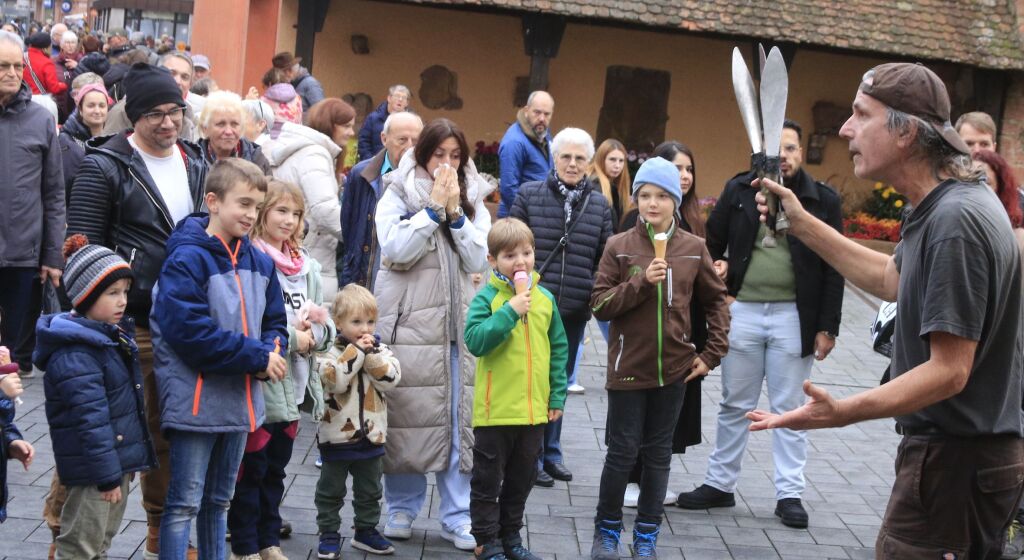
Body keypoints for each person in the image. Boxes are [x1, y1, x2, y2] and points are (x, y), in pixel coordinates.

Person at [749, 62, 1024, 558]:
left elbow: (950, 370)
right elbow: (891, 279)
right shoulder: (938, 203)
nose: (845, 129)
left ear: (906, 133)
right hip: (956, 461)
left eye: (861, 114)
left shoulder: (956, 221)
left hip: (954, 466)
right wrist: (800, 223)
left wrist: (841, 413)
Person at [66, 61, 207, 560]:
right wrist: (101, 319)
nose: (168, 123)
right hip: (127, 321)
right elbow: (80, 249)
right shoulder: (105, 165)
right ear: (134, 116)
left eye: (175, 111)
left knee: (169, 430)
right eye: (155, 114)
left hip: (182, 319)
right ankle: (67, 534)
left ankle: (160, 532)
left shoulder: (197, 161)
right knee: (110, 431)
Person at [677, 119, 843, 529]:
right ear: (760, 155)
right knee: (735, 402)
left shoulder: (821, 199)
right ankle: (720, 484)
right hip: (744, 312)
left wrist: (828, 326)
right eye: (775, 149)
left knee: (790, 407)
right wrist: (722, 281)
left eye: (790, 148)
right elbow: (710, 245)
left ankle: (789, 493)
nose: (783, 156)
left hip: (794, 316)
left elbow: (834, 266)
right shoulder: (738, 190)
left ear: (800, 153)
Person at [589, 157, 730, 560]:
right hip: (627, 370)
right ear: (636, 199)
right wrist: (639, 283)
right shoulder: (619, 246)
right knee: (621, 453)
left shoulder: (694, 248)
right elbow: (599, 304)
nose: (653, 203)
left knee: (658, 454)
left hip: (674, 372)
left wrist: (712, 354)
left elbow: (716, 301)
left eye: (663, 196)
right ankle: (607, 532)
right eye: (645, 195)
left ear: (676, 200)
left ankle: (647, 535)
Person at [150, 158, 288, 559]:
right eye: (243, 204)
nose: (251, 215)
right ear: (213, 201)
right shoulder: (186, 259)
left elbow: (275, 321)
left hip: (239, 401)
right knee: (184, 503)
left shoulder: (260, 261)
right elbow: (189, 333)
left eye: (257, 207)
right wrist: (257, 356)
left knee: (220, 501)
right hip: (196, 403)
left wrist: (273, 349)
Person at [373, 118, 491, 552]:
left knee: (459, 423)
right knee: (407, 419)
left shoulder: (475, 196)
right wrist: (431, 211)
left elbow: (479, 257)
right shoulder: (397, 191)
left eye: (455, 156)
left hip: (459, 330)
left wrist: (456, 214)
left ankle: (458, 515)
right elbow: (395, 249)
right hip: (409, 328)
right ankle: (400, 508)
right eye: (439, 154)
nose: (447, 164)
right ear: (423, 154)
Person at [229, 179, 336, 560]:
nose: (289, 220)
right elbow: (249, 322)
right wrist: (293, 337)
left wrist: (316, 334)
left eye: (296, 213)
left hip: (296, 384)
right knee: (251, 468)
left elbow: (327, 326)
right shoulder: (251, 260)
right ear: (262, 213)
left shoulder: (307, 266)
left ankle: (268, 541)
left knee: (276, 469)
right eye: (281, 211)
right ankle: (244, 544)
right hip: (265, 383)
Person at [35, 235, 157, 560]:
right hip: (95, 472)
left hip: (111, 466)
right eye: (112, 293)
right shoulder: (77, 354)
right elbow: (91, 421)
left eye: (125, 292)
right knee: (81, 546)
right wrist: (107, 476)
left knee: (99, 541)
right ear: (85, 296)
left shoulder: (108, 339)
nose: (122, 301)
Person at [509, 127, 613, 487]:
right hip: (532, 306)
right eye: (565, 156)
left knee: (559, 382)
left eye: (579, 158)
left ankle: (552, 452)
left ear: (589, 163)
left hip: (573, 309)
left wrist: (591, 289)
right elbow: (511, 246)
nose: (572, 163)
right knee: (532, 379)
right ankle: (531, 456)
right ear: (554, 158)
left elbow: (605, 257)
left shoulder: (599, 205)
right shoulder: (529, 194)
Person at [464, 218, 569, 560]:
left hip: (533, 412)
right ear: (492, 260)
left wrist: (556, 395)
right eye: (510, 256)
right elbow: (475, 341)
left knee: (521, 480)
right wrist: (509, 311)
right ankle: (486, 540)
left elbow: (558, 350)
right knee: (487, 481)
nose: (520, 261)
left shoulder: (545, 299)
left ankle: (511, 537)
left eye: (526, 253)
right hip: (495, 412)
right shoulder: (488, 298)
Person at [620, 140, 709, 509]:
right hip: (642, 334)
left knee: (668, 414)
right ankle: (631, 478)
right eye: (677, 168)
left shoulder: (694, 221)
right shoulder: (636, 222)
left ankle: (653, 479)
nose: (684, 175)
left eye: (689, 169)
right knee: (636, 412)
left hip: (683, 332)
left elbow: (710, 291)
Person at [314, 284, 401, 559]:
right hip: (336, 436)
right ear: (338, 322)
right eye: (356, 322)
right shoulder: (328, 352)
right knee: (330, 490)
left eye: (370, 321)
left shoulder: (379, 349)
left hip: (372, 436)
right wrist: (356, 353)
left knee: (370, 489)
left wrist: (370, 354)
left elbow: (391, 379)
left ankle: (366, 530)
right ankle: (328, 532)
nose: (365, 328)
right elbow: (335, 381)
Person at [0, 30, 65, 378]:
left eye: (17, 66)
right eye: (3, 66)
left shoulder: (40, 120)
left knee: (14, 359)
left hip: (23, 255)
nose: (12, 73)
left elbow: (54, 193)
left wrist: (52, 255)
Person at [264, 98, 355, 300]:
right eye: (346, 126)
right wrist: (359, 236)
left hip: (297, 249)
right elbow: (325, 209)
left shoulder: (305, 150)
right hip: (311, 252)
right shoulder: (315, 154)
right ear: (329, 124)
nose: (351, 132)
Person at [341, 111, 424, 289]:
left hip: (404, 283)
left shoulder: (426, 180)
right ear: (384, 139)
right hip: (363, 280)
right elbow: (349, 231)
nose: (410, 148)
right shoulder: (361, 174)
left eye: (416, 142)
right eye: (402, 140)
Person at [104, 52, 201, 141]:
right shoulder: (123, 110)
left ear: (190, 84)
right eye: (171, 73)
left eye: (184, 77)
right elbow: (107, 149)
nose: (178, 81)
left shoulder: (188, 113)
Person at [498, 91, 554, 217]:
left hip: (540, 214)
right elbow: (508, 189)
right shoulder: (514, 141)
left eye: (547, 114)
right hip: (518, 219)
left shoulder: (543, 134)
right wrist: (527, 217)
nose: (542, 118)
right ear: (526, 111)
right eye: (537, 112)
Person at [197, 90, 270, 173]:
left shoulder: (256, 159)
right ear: (205, 128)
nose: (228, 132)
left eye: (234, 124)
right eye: (221, 124)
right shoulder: (192, 160)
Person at [59, 82, 111, 200]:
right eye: (91, 106)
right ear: (80, 110)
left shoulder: (111, 140)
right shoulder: (66, 142)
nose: (97, 111)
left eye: (102, 106)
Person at [357, 84, 411, 161]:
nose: (400, 99)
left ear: (407, 103)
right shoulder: (373, 118)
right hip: (374, 163)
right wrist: (370, 160)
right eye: (397, 96)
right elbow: (363, 141)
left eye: (404, 98)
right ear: (389, 98)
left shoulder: (411, 122)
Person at [590, 139, 633, 232]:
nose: (617, 165)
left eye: (621, 161)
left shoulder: (615, 187)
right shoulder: (595, 186)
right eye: (612, 159)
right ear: (601, 159)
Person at [23, 32, 68, 98]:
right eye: (50, 46)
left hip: (21, 97)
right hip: (38, 99)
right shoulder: (47, 63)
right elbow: (54, 88)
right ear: (45, 49)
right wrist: (65, 85)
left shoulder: (22, 56)